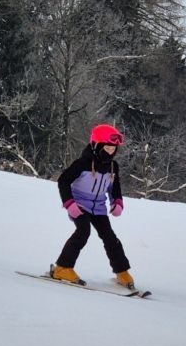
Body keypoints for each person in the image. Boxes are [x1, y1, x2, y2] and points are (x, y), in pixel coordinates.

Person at [50, 123, 134, 289]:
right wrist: (69, 203)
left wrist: (117, 201)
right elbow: (63, 181)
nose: (111, 152)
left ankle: (121, 271)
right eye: (107, 148)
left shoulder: (112, 166)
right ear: (96, 146)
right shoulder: (82, 164)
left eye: (114, 149)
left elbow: (114, 187)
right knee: (83, 231)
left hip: (99, 208)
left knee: (110, 237)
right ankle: (62, 268)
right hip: (79, 205)